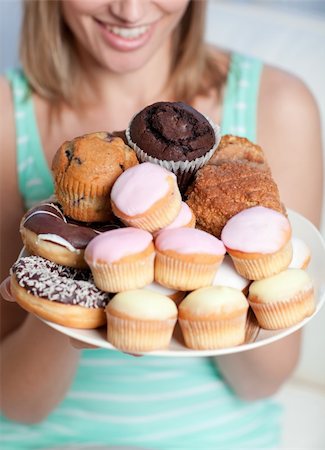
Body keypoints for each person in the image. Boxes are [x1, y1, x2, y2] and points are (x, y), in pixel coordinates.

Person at [0, 0, 323, 449]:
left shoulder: (278, 106)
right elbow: (18, 404)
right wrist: (70, 305)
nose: (130, 11)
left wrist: (213, 263)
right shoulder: (5, 117)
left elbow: (262, 381)